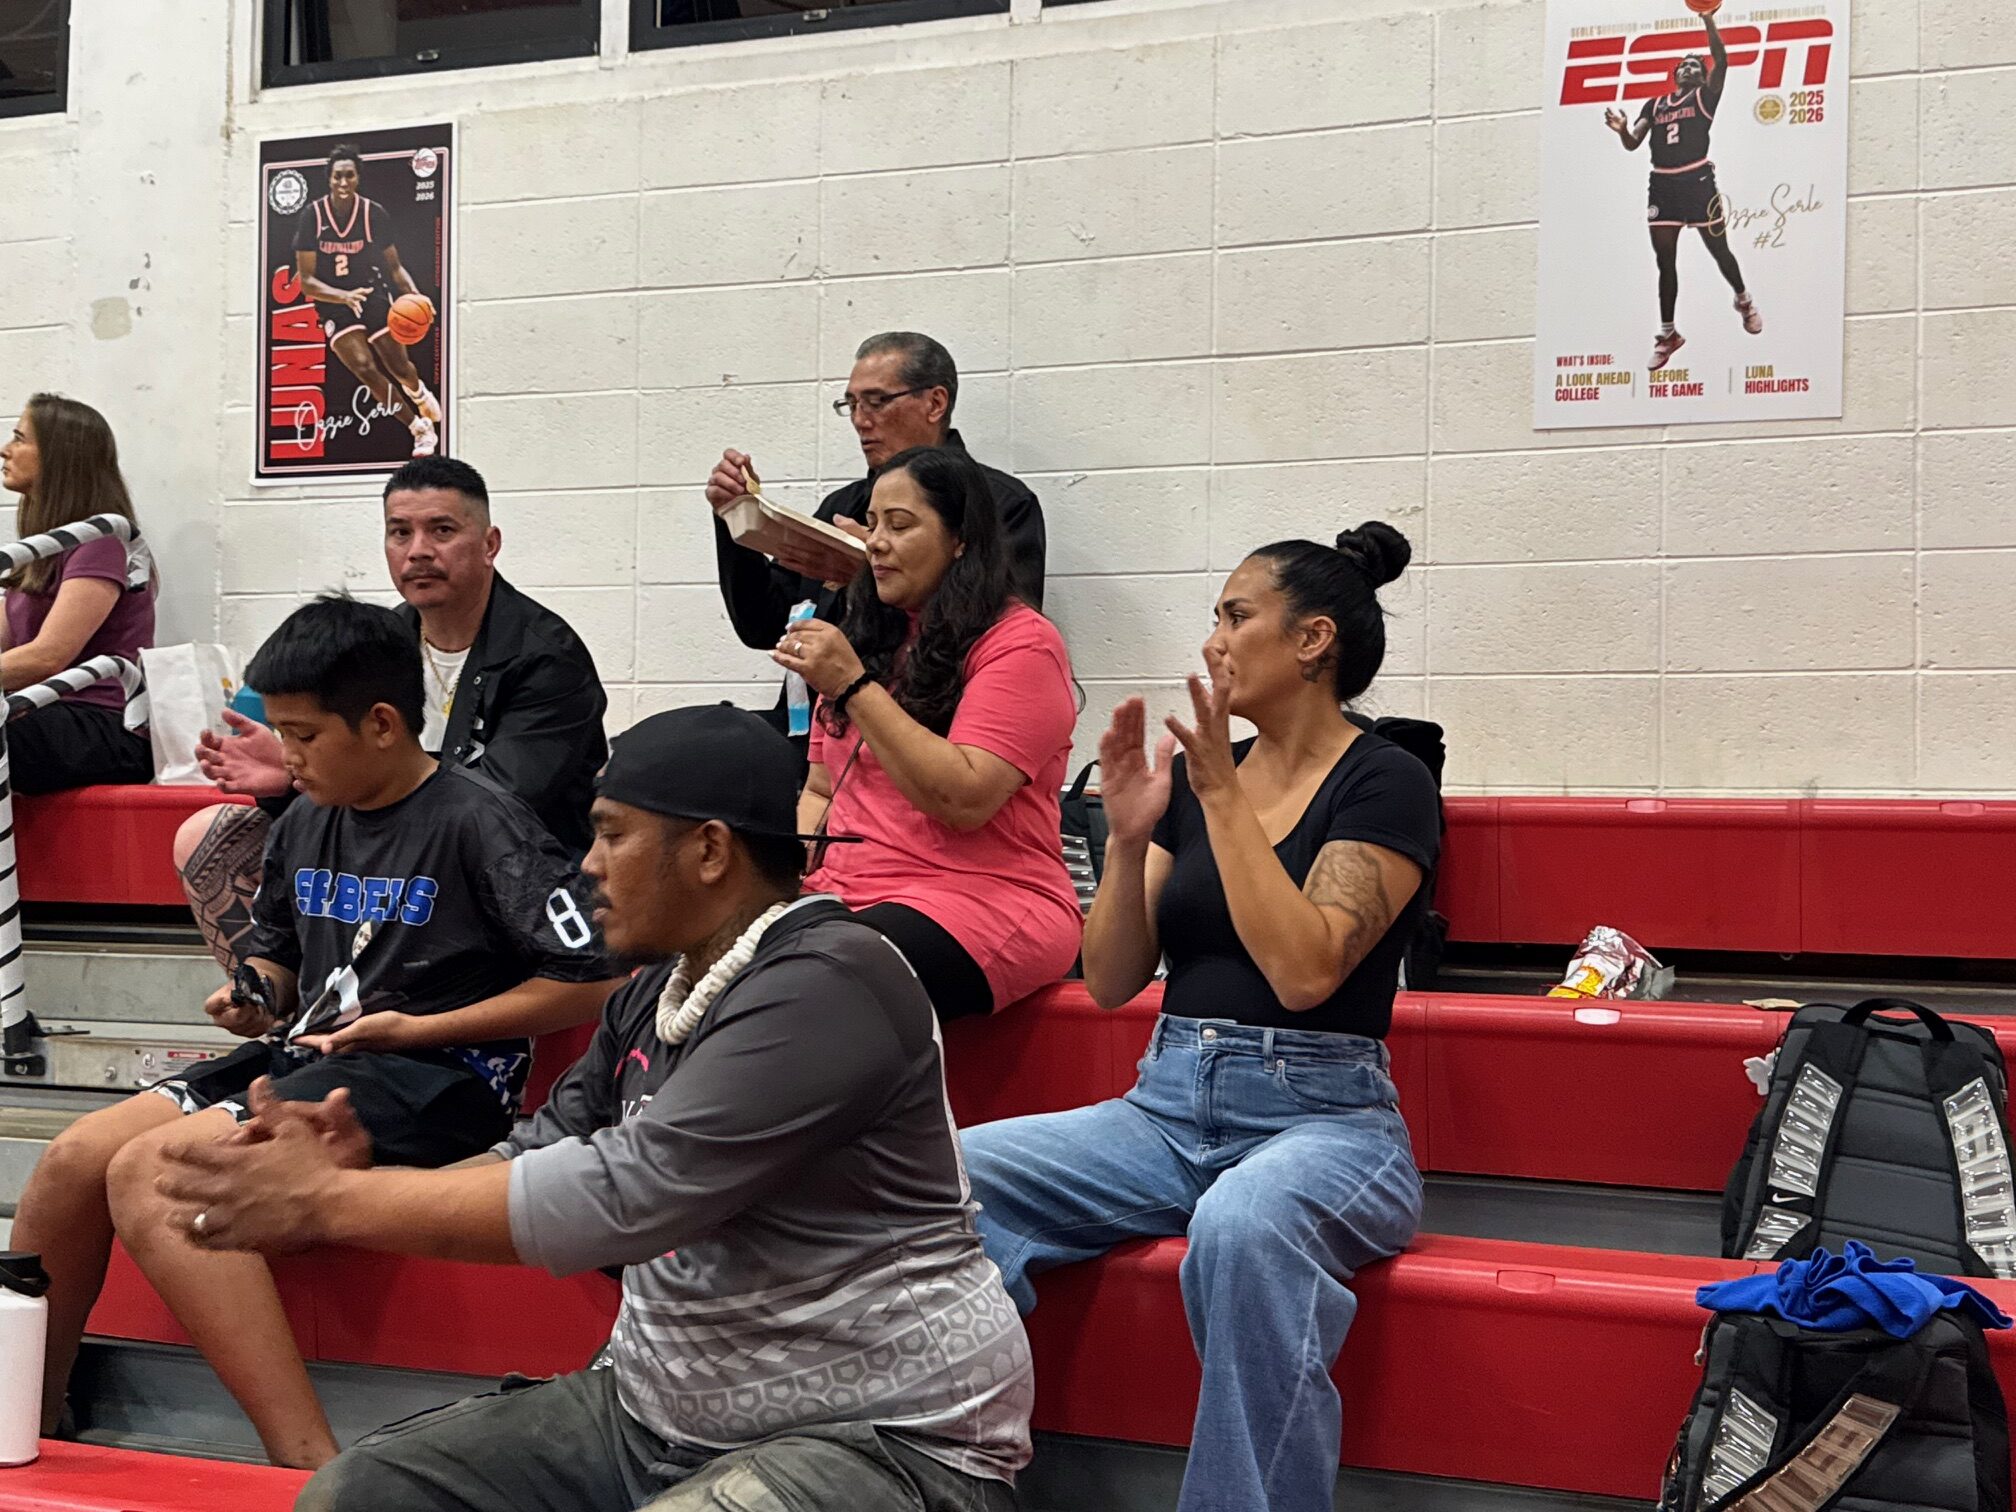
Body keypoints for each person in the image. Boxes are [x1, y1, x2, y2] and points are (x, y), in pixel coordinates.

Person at [154, 704, 1034, 1512]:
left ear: (710, 851)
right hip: (656, 1417)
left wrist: (331, 1204)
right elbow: (541, 1149)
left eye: (612, 835)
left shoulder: (833, 981)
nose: (587, 864)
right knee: (360, 1497)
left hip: (884, 1444)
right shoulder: (655, 989)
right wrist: (360, 1171)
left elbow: (631, 1192)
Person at [10, 595, 618, 1469]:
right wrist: (253, 995)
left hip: (440, 1078)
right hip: (319, 1054)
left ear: (379, 723)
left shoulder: (480, 817)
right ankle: (33, 1417)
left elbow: (591, 977)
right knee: (71, 1160)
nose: (286, 757)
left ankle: (309, 1467)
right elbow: (279, 958)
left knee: (154, 1174)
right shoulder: (307, 814)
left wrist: (424, 1027)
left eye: (302, 736)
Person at [958, 523, 1442, 1512]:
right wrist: (1130, 841)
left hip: (1328, 1121)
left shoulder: (1382, 779)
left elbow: (1308, 969)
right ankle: (954, 1474)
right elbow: (1110, 975)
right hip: (1168, 1105)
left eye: (1235, 615)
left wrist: (1220, 798)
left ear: (1312, 641)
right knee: (954, 1179)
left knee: (1246, 1223)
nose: (1214, 640)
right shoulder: (1197, 782)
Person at [177, 456, 608, 973]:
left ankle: (359, 1023)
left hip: (508, 873)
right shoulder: (380, 641)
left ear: (490, 544)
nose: (418, 551)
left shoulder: (546, 657)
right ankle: (285, 1007)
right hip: (391, 852)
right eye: (399, 532)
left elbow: (491, 811)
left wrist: (323, 775)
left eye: (442, 530)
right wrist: (296, 770)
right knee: (210, 834)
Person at [772, 445, 1080, 1020]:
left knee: (825, 972)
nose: (876, 542)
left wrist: (856, 687)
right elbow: (819, 789)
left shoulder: (1021, 644)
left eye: (900, 525)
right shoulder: (868, 634)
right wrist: (782, 879)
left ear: (960, 539)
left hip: (980, 899)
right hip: (844, 898)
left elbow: (962, 799)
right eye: (871, 525)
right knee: (705, 955)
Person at [704, 330, 1046, 751]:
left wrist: (870, 572)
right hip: (815, 739)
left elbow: (999, 634)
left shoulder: (999, 505)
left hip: (926, 738)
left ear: (935, 403)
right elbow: (763, 626)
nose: (861, 420)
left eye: (878, 401)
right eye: (851, 404)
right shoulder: (841, 505)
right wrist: (734, 519)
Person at [0, 393, 155, 791]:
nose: (5, 450)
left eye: (19, 438)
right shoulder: (36, 553)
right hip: (48, 714)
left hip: (103, 724)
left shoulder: (102, 543)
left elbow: (49, 656)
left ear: (58, 456)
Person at [1603, 11, 1762, 371]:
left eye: (1696, 64)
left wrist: (1707, 19)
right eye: (1684, 64)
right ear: (1676, 75)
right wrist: (1622, 129)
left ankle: (1743, 299)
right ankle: (1668, 334)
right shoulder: (1655, 104)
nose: (1690, 67)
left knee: (1719, 249)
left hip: (1697, 181)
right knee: (1665, 263)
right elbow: (1633, 144)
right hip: (1662, 186)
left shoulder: (1706, 97)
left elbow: (1721, 59)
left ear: (1703, 76)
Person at [293, 141, 442, 458]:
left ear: (357, 178)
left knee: (399, 366)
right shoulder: (313, 217)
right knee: (364, 367)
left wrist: (415, 297)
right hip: (334, 303)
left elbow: (395, 267)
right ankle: (419, 429)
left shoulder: (373, 214)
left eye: (349, 176)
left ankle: (417, 391)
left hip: (371, 293)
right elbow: (306, 281)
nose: (343, 183)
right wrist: (343, 296)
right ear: (329, 180)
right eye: (337, 177)